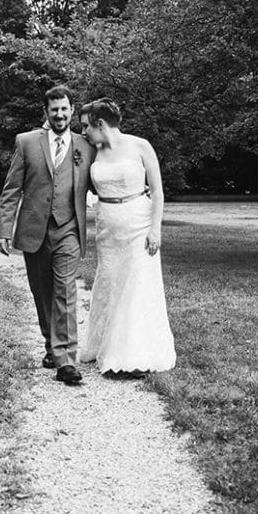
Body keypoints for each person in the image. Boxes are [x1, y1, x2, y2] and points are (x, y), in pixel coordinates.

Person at [0, 85, 97, 385]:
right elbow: (12, 189)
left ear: (71, 109)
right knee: (43, 294)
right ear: (46, 112)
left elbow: (100, 182)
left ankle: (66, 360)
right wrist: (4, 229)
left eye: (64, 109)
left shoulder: (85, 145)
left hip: (68, 228)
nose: (60, 114)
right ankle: (51, 345)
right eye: (54, 110)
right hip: (34, 229)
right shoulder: (27, 142)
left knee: (66, 291)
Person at [76, 98, 176, 375]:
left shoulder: (140, 146)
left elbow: (157, 191)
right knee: (109, 282)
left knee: (135, 286)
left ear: (100, 123)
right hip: (107, 227)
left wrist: (155, 229)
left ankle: (130, 355)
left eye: (86, 126)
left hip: (139, 224)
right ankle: (100, 345)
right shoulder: (91, 150)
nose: (83, 132)